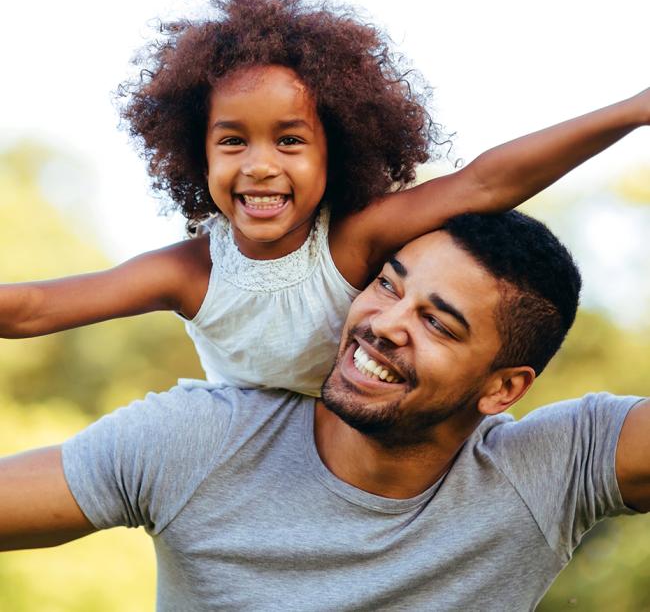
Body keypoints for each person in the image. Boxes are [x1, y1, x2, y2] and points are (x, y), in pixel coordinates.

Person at [0, 0, 648, 397]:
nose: (258, 165)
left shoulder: (352, 243)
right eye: (233, 141)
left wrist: (633, 110)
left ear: (333, 153)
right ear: (197, 156)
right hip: (243, 464)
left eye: (289, 141)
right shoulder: (190, 272)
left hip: (366, 447)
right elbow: (30, 308)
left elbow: (485, 181)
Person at [1, 210, 648, 610]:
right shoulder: (202, 439)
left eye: (438, 324)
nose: (385, 323)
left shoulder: (551, 470)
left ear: (503, 389)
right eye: (388, 285)